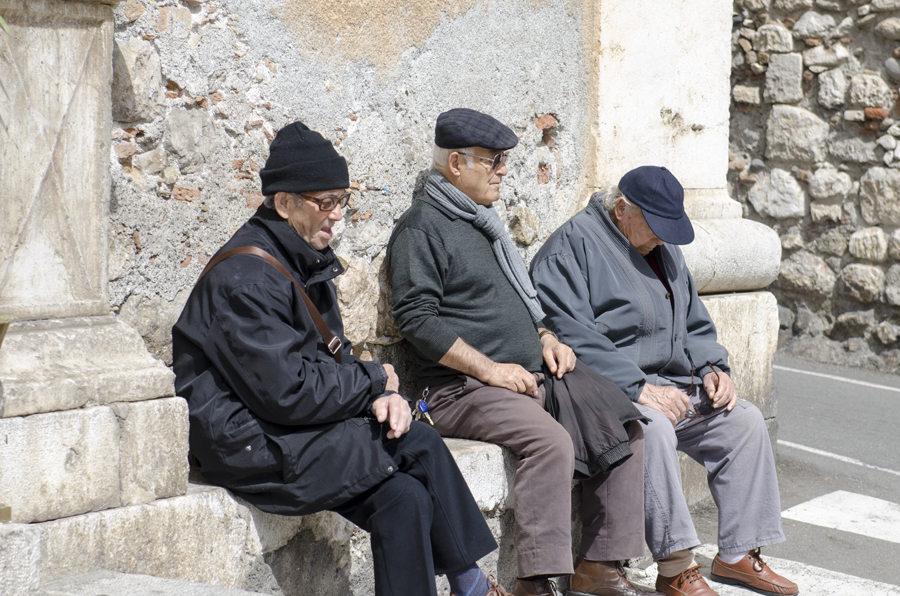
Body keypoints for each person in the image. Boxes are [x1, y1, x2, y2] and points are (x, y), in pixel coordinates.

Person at [172, 121, 508, 596]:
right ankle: (472, 583)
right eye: (324, 203)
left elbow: (331, 357)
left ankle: (468, 583)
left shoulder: (303, 256)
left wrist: (381, 395)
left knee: (404, 496)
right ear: (284, 203)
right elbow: (287, 392)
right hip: (247, 444)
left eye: (341, 200)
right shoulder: (247, 278)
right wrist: (373, 382)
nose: (337, 216)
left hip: (289, 430)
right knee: (418, 442)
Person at [387, 108, 658, 596]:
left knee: (626, 424)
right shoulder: (421, 227)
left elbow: (523, 305)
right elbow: (417, 320)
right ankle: (537, 582)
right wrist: (491, 370)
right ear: (455, 164)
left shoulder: (484, 222)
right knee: (551, 442)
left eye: (503, 161)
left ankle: (600, 566)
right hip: (457, 388)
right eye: (492, 161)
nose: (503, 171)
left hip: (528, 372)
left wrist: (549, 339)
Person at [530, 166, 799, 596]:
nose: (662, 238)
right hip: (609, 390)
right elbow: (571, 333)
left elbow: (694, 321)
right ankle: (676, 567)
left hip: (672, 383)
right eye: (655, 228)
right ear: (622, 210)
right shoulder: (571, 248)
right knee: (651, 429)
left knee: (743, 420)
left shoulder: (662, 247)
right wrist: (639, 388)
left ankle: (736, 555)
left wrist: (714, 369)